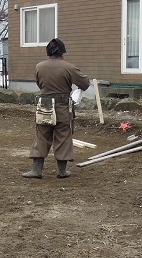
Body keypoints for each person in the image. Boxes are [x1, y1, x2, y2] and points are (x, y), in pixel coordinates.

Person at [22, 38, 91, 179]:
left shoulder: (39, 67)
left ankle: (36, 170)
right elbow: (85, 83)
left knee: (41, 136)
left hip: (44, 105)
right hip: (62, 106)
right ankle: (61, 171)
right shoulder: (69, 68)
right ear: (62, 53)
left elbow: (39, 85)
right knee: (63, 136)